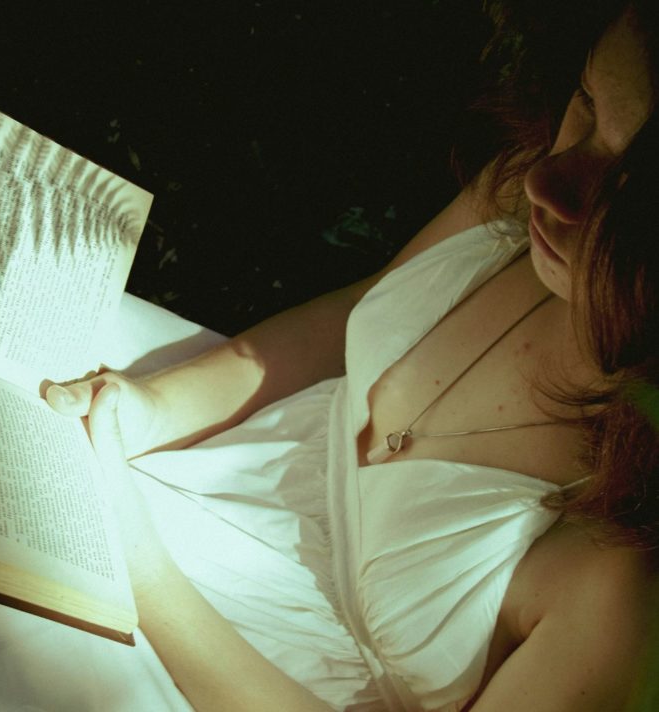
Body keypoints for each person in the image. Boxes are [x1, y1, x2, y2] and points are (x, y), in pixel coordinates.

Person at [46, 1, 658, 709]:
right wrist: (150, 408)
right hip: (179, 492)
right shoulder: (522, 196)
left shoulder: (626, 583)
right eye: (587, 102)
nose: (545, 181)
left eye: (628, 189)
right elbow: (343, 325)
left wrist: (135, 560)